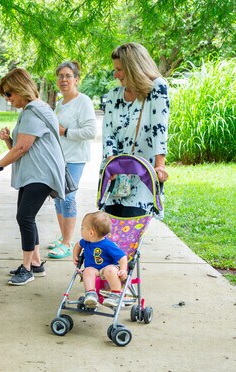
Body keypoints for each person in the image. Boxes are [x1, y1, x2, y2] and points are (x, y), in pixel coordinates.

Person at [0, 68, 66, 286]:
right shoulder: (32, 110)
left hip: (41, 174)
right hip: (32, 173)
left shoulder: (33, 111)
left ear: (20, 88)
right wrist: (8, 140)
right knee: (26, 217)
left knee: (24, 217)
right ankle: (35, 263)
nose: (8, 99)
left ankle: (27, 269)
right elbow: (20, 146)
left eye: (9, 94)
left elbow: (22, 149)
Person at [103, 42, 169, 217]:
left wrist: (160, 166)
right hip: (115, 178)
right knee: (111, 232)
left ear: (133, 67)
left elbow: (159, 129)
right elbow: (108, 134)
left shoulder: (157, 88)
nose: (115, 74)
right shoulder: (113, 96)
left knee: (133, 231)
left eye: (119, 69)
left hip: (142, 174)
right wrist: (112, 166)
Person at [47, 61, 97, 260]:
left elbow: (91, 131)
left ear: (76, 79)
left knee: (68, 199)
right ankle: (63, 237)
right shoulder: (60, 103)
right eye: (60, 76)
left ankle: (68, 243)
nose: (64, 80)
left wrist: (65, 131)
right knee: (58, 198)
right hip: (59, 158)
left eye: (68, 76)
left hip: (75, 159)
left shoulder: (83, 101)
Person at [72, 211, 127, 309]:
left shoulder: (108, 245)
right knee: (87, 271)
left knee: (110, 270)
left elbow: (122, 256)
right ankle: (91, 294)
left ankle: (116, 295)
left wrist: (123, 269)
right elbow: (77, 245)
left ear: (91, 232)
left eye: (82, 228)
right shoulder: (85, 241)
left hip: (109, 268)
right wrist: (75, 255)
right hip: (94, 269)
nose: (81, 230)